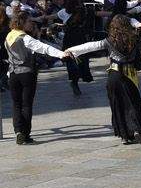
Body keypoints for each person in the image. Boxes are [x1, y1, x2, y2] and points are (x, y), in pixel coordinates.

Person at [5, 13, 93, 145]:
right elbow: (44, 48)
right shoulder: (25, 38)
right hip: (27, 73)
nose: (31, 23)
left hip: (13, 73)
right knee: (27, 104)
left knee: (16, 104)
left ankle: (18, 131)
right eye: (29, 21)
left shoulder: (9, 36)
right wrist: (61, 54)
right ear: (22, 22)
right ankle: (25, 134)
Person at [69, 14, 141, 145]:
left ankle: (125, 135)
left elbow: (90, 46)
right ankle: (137, 129)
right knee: (133, 103)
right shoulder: (135, 39)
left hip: (114, 75)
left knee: (117, 105)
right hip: (129, 75)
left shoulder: (108, 41)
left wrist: (71, 50)